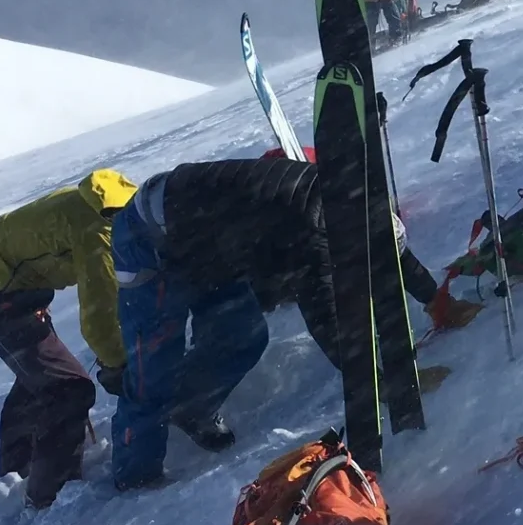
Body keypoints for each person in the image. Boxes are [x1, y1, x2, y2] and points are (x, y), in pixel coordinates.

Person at [108, 156, 447, 490]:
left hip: (209, 241)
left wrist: (435, 299)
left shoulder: (354, 203)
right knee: (153, 370)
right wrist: (388, 387)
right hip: (149, 239)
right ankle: (135, 474)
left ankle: (191, 406)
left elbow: (391, 250)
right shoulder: (311, 237)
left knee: (243, 335)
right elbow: (333, 328)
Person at [0, 169, 137, 507]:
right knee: (69, 389)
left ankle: (20, 474)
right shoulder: (100, 232)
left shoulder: (112, 203)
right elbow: (99, 315)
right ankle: (50, 496)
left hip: (5, 285)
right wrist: (118, 366)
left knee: (40, 382)